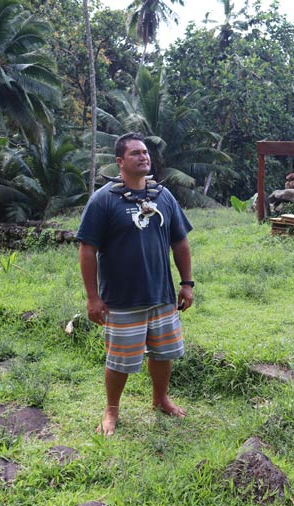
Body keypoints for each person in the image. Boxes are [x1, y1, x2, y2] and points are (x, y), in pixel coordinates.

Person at [76, 132, 194, 436]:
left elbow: (180, 241)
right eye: (135, 153)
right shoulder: (103, 200)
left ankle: (161, 399)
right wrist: (92, 298)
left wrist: (187, 283)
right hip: (121, 298)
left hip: (161, 294)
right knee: (119, 359)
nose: (144, 157)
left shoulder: (163, 197)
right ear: (120, 161)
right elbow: (87, 249)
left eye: (145, 152)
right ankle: (111, 410)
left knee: (163, 352)